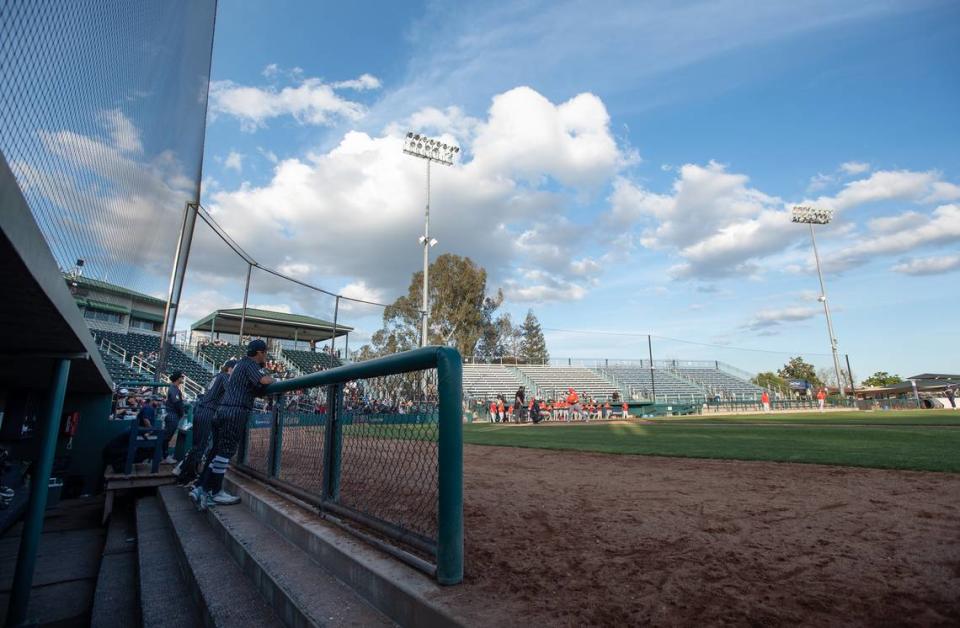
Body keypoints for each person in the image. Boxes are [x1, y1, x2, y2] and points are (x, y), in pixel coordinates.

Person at [192, 340, 274, 509]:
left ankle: (202, 488)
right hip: (234, 411)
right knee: (225, 452)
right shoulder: (249, 363)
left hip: (223, 410)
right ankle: (211, 491)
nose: (265, 355)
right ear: (259, 353)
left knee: (219, 452)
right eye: (265, 353)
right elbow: (265, 380)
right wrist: (272, 378)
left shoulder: (239, 365)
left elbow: (253, 386)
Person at [176, 359, 236, 485]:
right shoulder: (225, 376)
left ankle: (182, 474)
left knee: (197, 446)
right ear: (230, 369)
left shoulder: (217, 376)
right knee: (200, 447)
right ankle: (188, 477)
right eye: (234, 369)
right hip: (207, 412)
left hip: (202, 410)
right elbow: (231, 391)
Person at [162, 372, 185, 463]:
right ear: (177, 378)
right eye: (181, 377)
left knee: (167, 436)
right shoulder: (173, 388)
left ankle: (164, 455)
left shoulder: (174, 388)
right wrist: (181, 412)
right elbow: (177, 403)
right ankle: (164, 456)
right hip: (172, 414)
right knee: (167, 437)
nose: (182, 378)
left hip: (172, 414)